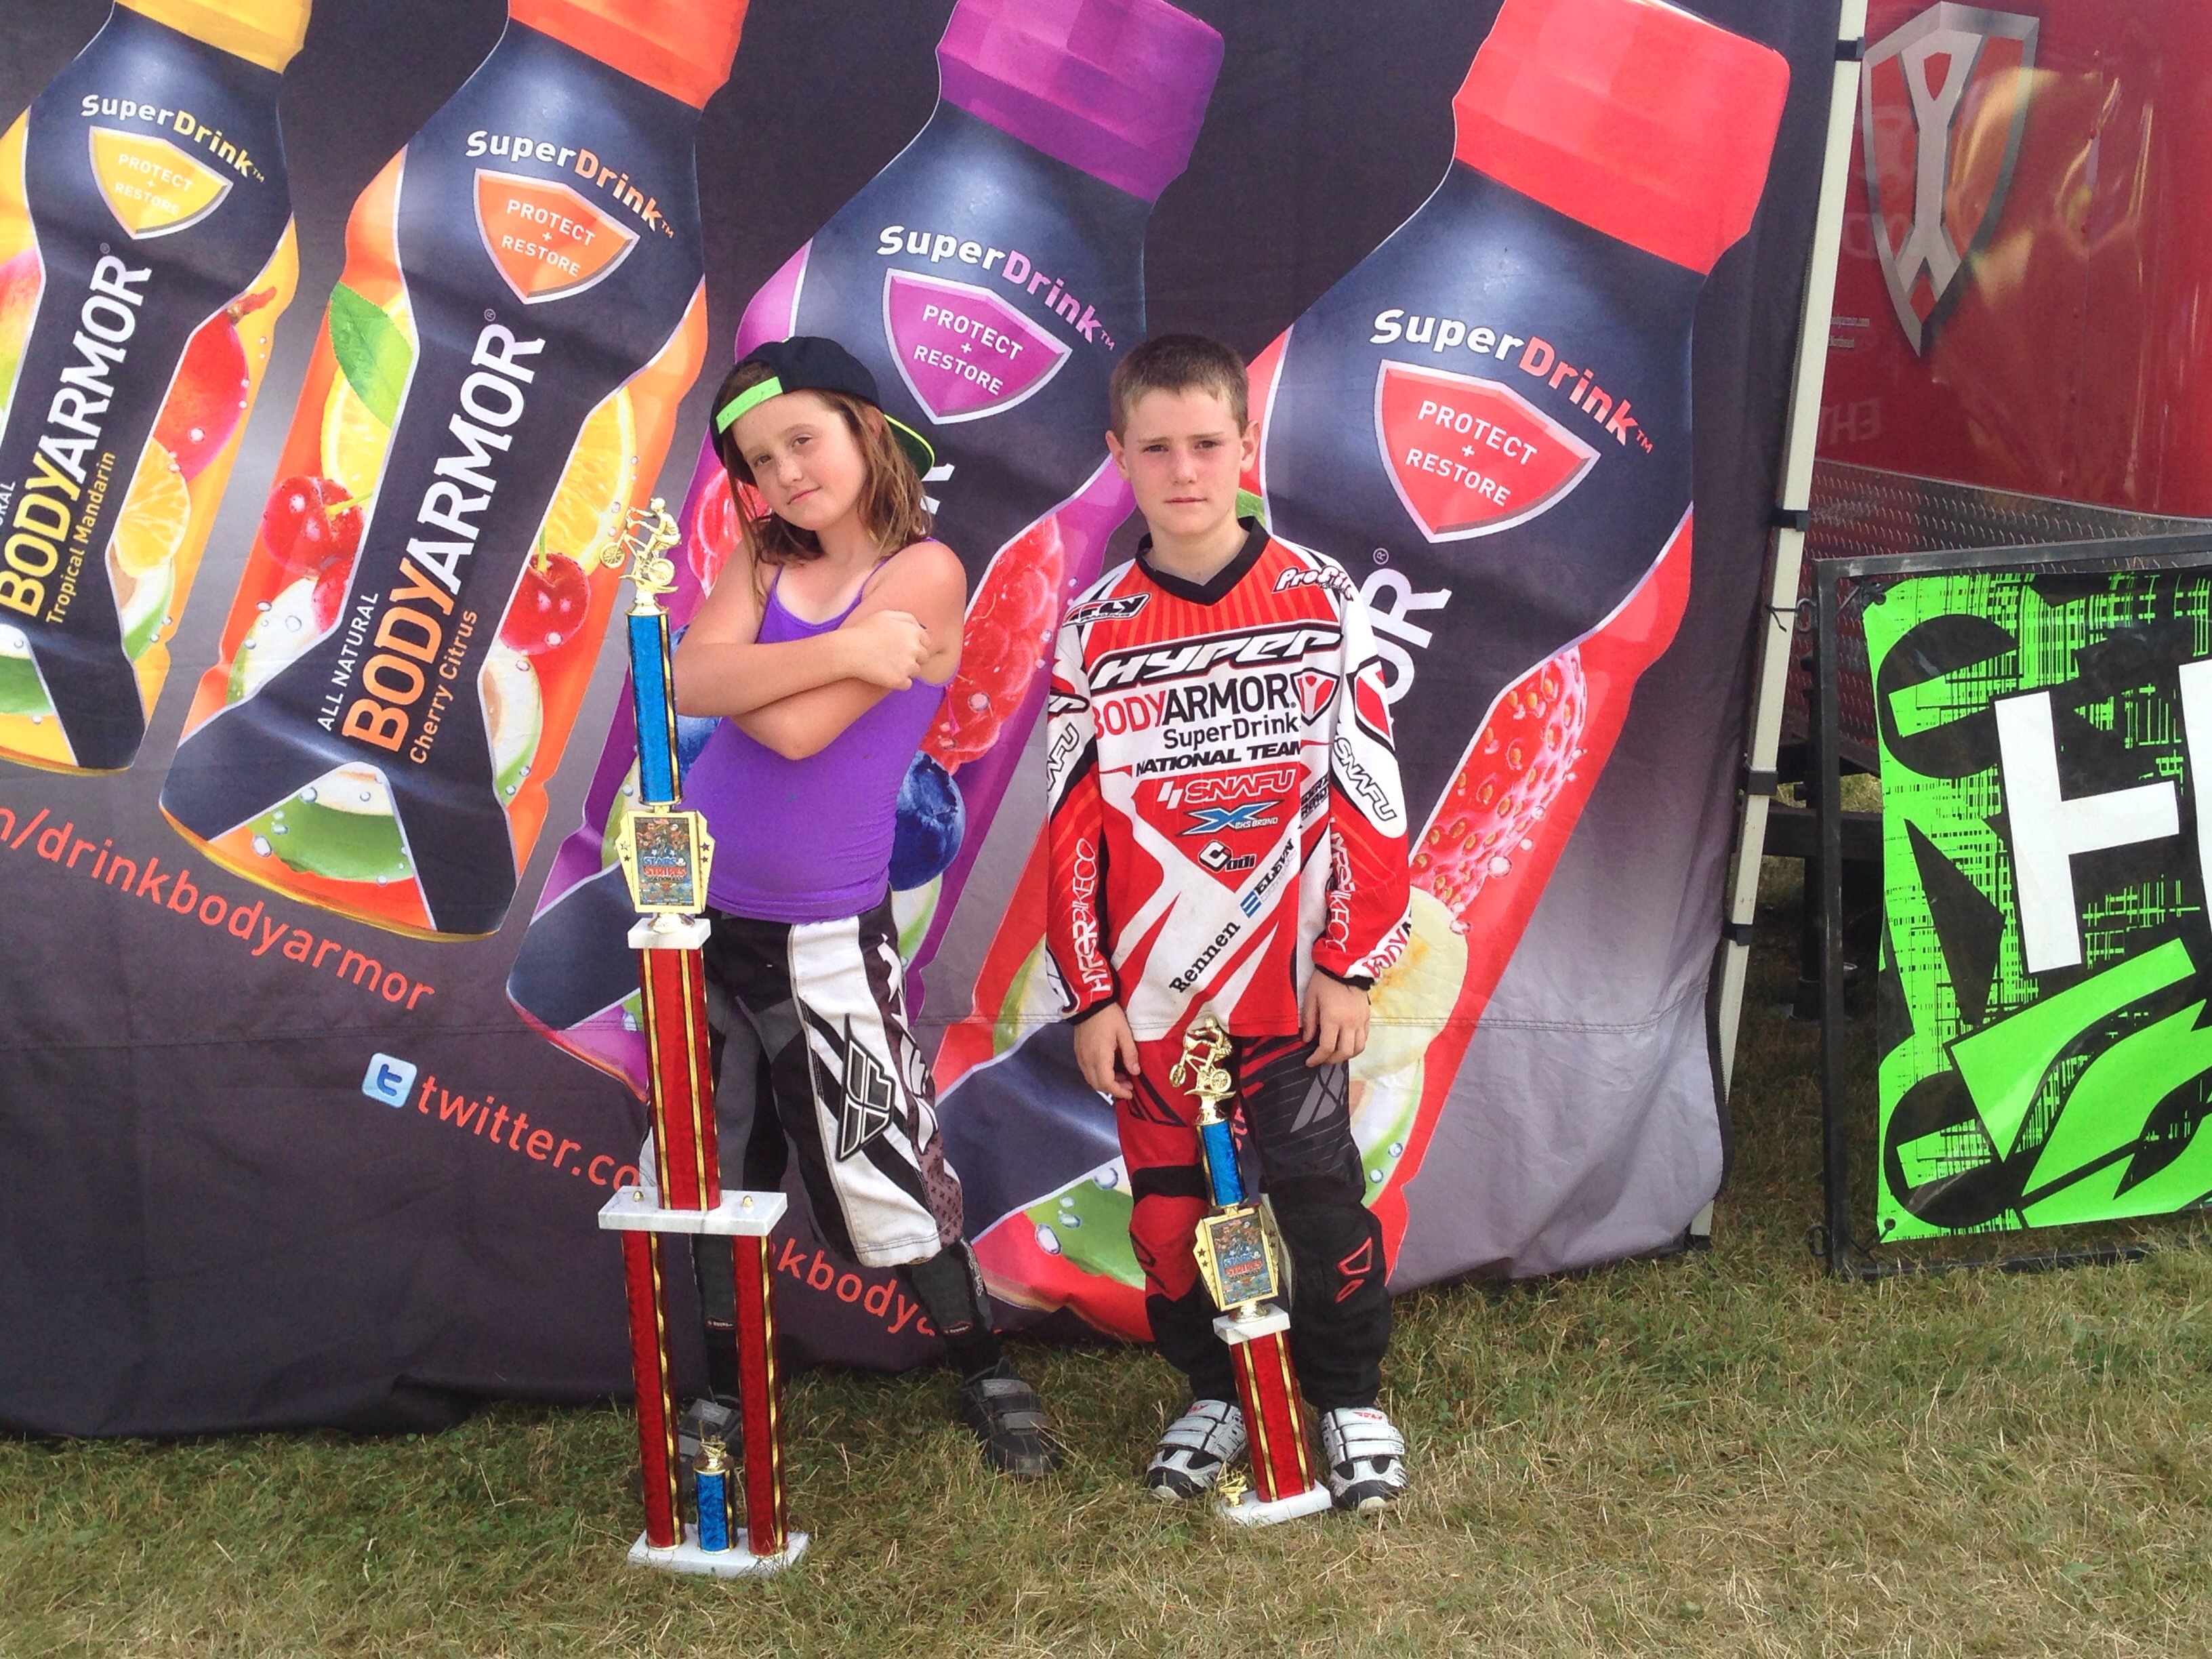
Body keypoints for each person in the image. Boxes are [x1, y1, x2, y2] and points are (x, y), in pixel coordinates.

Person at [670, 335, 1055, 1476]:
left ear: (866, 430)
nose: (786, 472)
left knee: (882, 1160)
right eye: (760, 460)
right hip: (696, 917)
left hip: (825, 934)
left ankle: (983, 1363)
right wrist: (843, 649)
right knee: (712, 1164)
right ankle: (727, 1387)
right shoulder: (761, 556)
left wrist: (752, 665)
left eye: (804, 440)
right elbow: (687, 679)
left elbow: (791, 730)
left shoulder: (924, 571)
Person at [1043, 333, 1415, 1511]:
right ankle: (1215, 1388)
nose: (1185, 469)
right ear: (1118, 456)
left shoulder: (1322, 597)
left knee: (1321, 1205)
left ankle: (1348, 1399)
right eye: (1156, 448)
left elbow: (1370, 792)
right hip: (1153, 1002)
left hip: (1291, 990)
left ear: (1246, 446)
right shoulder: (1091, 628)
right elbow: (1071, 831)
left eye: (1207, 443)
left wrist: (1348, 964)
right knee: (1172, 1225)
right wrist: (1092, 995)